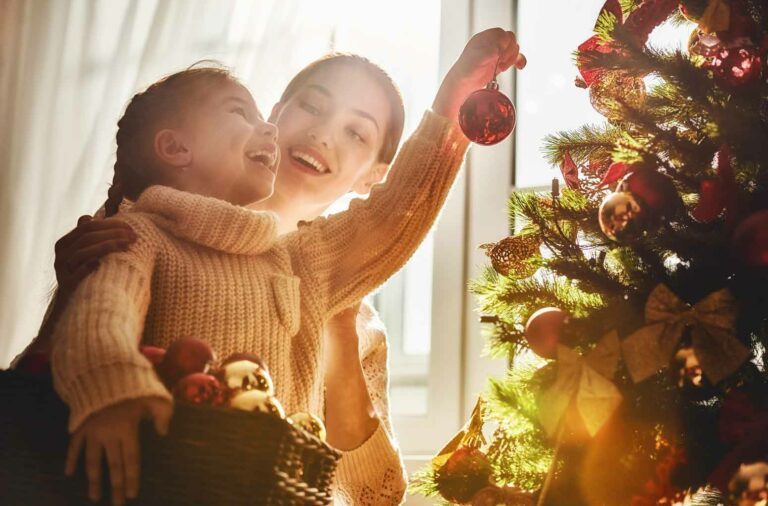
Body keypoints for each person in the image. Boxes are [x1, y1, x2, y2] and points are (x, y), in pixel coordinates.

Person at [27, 28, 525, 506]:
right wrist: (79, 308)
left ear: (373, 178)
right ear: (276, 115)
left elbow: (376, 495)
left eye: (355, 132)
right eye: (311, 105)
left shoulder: (318, 272)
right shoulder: (135, 233)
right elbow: (59, 372)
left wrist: (457, 97)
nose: (322, 133)